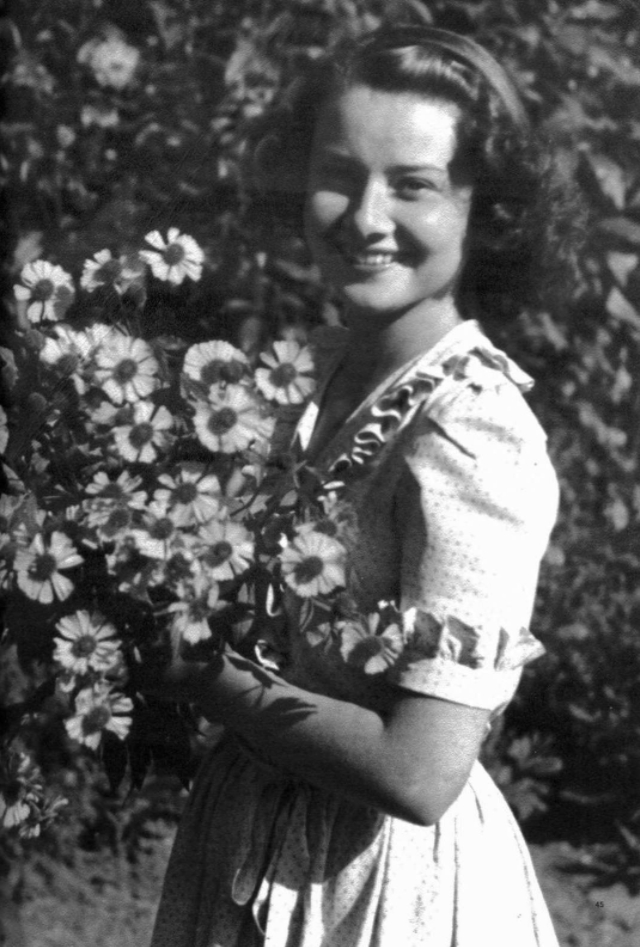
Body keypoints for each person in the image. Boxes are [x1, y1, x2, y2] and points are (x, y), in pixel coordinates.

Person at [149, 25, 578, 947]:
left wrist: (206, 676)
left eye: (413, 184)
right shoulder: (316, 372)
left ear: (485, 209)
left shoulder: (472, 431)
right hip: (252, 831)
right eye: (340, 174)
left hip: (378, 884)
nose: (365, 217)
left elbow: (419, 774)